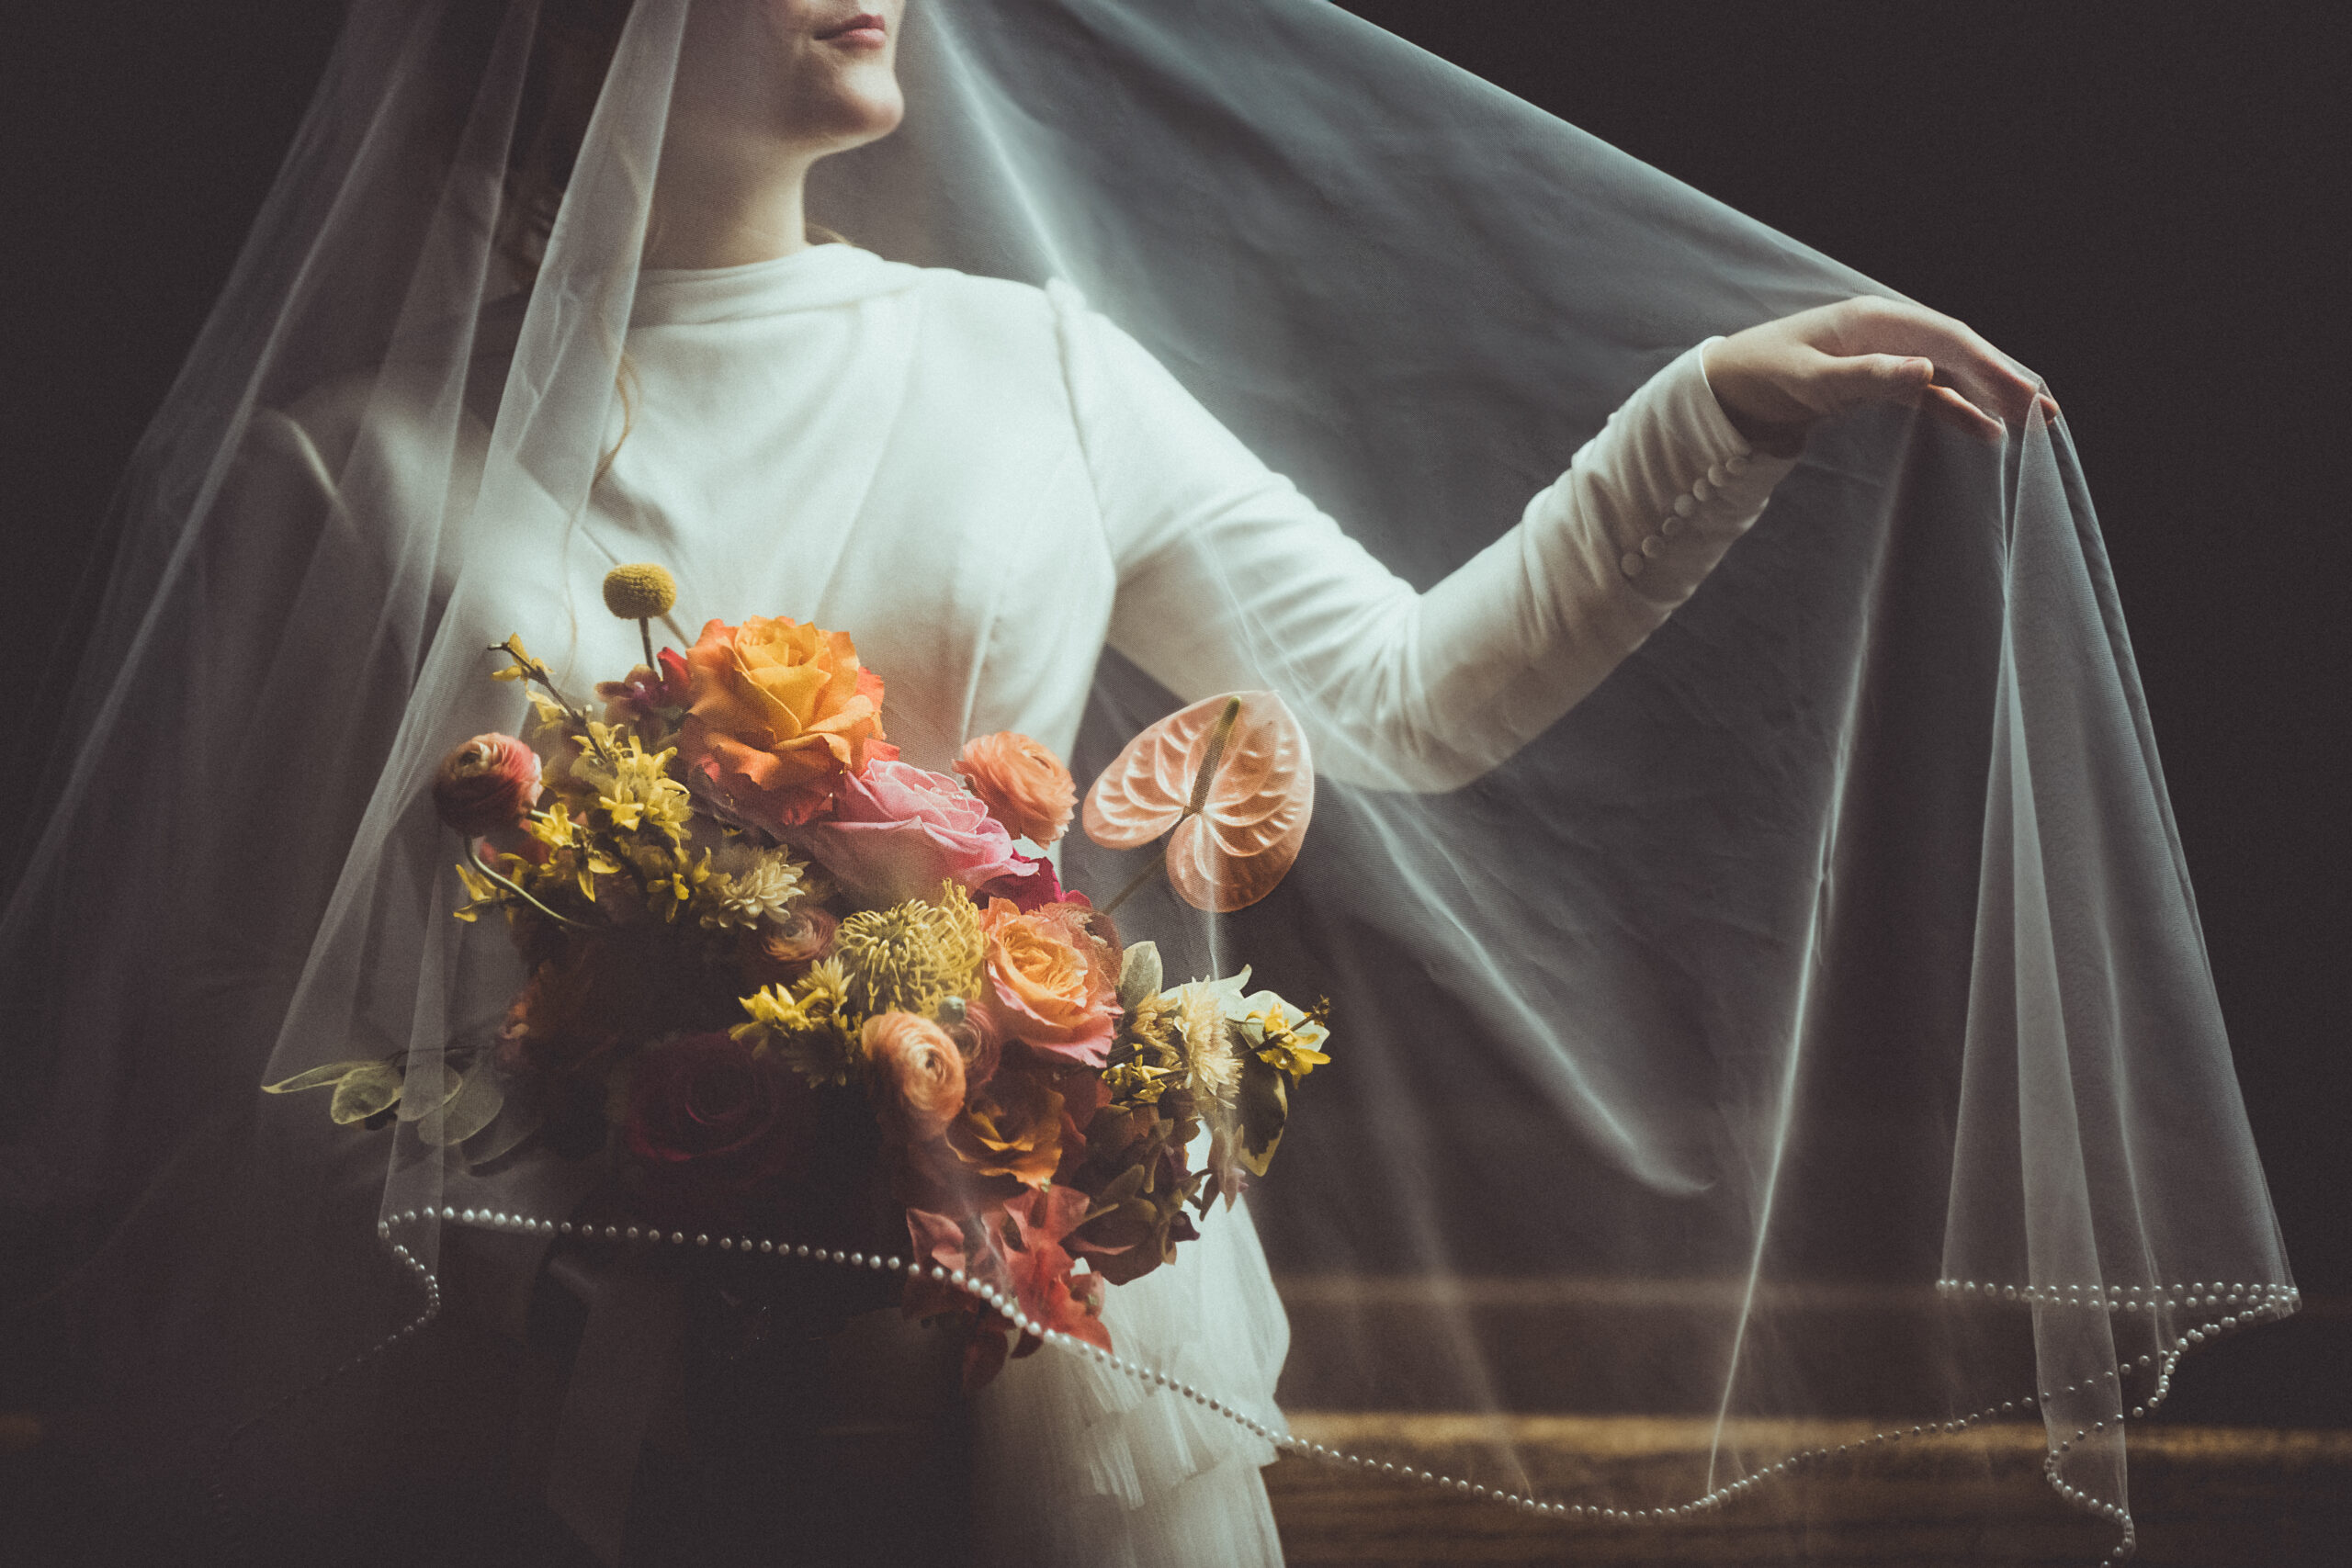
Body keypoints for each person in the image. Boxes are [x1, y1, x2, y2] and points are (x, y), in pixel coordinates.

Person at [2, 3, 2291, 1565]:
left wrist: (1715, 411)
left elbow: (1398, 697)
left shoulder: (1034, 368)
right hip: (553, 1364)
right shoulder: (350, 463)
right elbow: (231, 1007)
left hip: (1040, 1350)